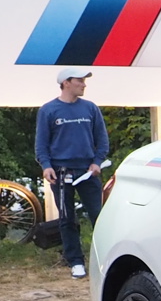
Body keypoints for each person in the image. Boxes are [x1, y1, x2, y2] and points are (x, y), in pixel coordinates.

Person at [35, 71, 110, 278]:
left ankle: (105, 259)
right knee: (67, 218)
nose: (84, 85)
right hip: (60, 173)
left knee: (99, 216)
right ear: (66, 83)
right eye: (80, 81)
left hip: (88, 172)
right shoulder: (48, 110)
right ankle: (75, 261)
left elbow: (102, 140)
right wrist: (46, 166)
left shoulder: (90, 108)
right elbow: (41, 144)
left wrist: (97, 162)